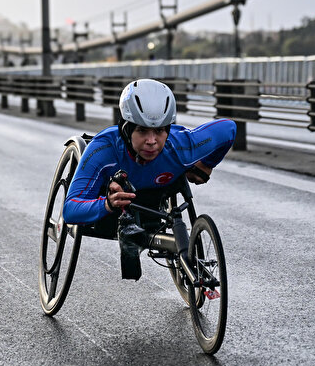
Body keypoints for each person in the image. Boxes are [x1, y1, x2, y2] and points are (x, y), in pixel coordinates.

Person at [63, 78, 236, 280]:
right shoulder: (103, 150)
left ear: (168, 130)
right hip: (113, 199)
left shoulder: (182, 145)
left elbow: (229, 128)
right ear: (127, 129)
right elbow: (70, 210)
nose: (152, 141)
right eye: (142, 131)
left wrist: (207, 164)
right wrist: (107, 204)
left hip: (158, 190)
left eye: (160, 130)